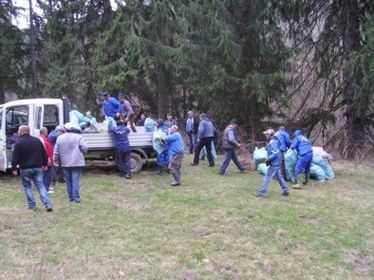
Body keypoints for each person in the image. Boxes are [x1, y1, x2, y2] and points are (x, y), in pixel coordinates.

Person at [11, 125, 53, 212]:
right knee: (40, 185)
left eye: (19, 130)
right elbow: (43, 153)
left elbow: (15, 157)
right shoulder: (36, 140)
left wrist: (14, 168)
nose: (18, 132)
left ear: (22, 131)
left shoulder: (18, 142)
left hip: (25, 168)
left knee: (27, 186)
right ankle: (48, 204)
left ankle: (32, 205)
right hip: (37, 167)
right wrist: (45, 164)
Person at [54, 122, 88, 203]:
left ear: (65, 129)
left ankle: (71, 198)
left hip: (65, 162)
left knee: (68, 180)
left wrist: (55, 160)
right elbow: (85, 147)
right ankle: (76, 199)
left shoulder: (60, 138)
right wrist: (82, 154)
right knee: (75, 179)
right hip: (77, 161)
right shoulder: (78, 137)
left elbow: (56, 151)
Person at [255, 128, 290, 197]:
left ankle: (261, 193)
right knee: (279, 176)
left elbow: (275, 153)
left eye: (267, 134)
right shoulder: (273, 141)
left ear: (270, 135)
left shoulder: (272, 142)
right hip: (276, 162)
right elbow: (273, 151)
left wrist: (268, 159)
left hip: (274, 162)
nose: (266, 136)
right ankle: (286, 191)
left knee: (267, 177)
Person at [39, 127, 54, 193]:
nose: (47, 133)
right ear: (44, 132)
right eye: (46, 131)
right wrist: (48, 160)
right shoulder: (43, 140)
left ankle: (46, 186)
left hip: (46, 159)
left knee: (46, 174)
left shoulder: (42, 139)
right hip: (46, 160)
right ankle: (45, 188)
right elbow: (45, 151)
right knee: (46, 174)